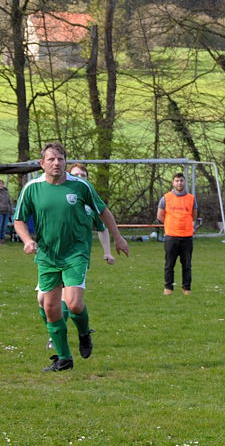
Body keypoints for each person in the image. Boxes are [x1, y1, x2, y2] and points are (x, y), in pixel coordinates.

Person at [14, 142, 129, 372]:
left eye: (60, 159)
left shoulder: (80, 186)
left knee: (74, 304)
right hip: (48, 255)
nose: (56, 163)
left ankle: (84, 332)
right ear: (42, 164)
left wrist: (118, 237)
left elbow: (103, 211)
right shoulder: (32, 188)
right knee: (49, 307)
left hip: (75, 252)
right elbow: (18, 220)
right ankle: (64, 359)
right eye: (51, 159)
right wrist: (27, 240)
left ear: (65, 161)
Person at [38, 163, 116, 350]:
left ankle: (70, 338)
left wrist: (107, 251)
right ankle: (55, 333)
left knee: (69, 300)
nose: (79, 177)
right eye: (76, 174)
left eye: (83, 174)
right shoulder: (50, 192)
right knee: (42, 300)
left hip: (76, 257)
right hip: (51, 256)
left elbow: (102, 228)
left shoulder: (89, 202)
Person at [157, 172, 197, 296]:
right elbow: (160, 216)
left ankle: (187, 288)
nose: (179, 183)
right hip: (171, 237)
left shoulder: (191, 199)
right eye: (177, 181)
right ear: (173, 183)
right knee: (169, 264)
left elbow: (194, 216)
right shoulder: (166, 198)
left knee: (187, 265)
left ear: (184, 182)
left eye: (181, 181)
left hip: (187, 237)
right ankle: (168, 288)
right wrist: (171, 224)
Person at [0, 179, 11, 244]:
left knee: (4, 227)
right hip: (0, 211)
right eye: (0, 184)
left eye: (2, 184)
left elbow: (9, 201)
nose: (1, 185)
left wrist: (11, 210)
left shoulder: (6, 191)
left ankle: (2, 239)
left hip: (7, 211)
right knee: (0, 226)